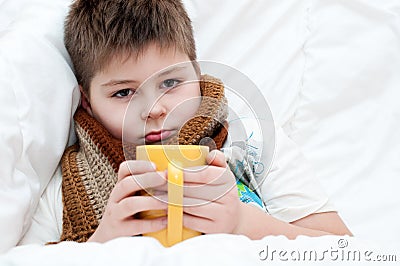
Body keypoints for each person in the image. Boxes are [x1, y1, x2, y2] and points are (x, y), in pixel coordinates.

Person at [20, 0, 351, 245]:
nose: (155, 109)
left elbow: (345, 249)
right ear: (88, 103)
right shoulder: (67, 184)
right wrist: (100, 243)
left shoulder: (252, 144)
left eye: (170, 83)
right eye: (124, 92)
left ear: (197, 73)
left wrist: (244, 223)